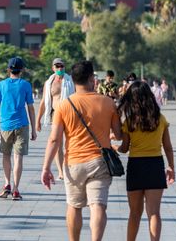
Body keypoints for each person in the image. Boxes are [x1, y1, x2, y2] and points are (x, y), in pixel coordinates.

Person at [41, 60, 122, 241]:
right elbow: (118, 133)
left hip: (73, 164)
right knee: (98, 206)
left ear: (74, 80)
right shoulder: (108, 103)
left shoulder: (63, 106)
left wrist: (46, 168)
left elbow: (54, 139)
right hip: (99, 162)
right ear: (93, 79)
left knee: (74, 206)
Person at [117, 81, 175, 241]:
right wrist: (171, 167)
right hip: (155, 165)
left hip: (136, 166)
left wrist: (114, 148)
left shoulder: (129, 121)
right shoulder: (160, 119)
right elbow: (168, 147)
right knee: (154, 212)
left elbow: (124, 148)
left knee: (134, 213)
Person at [0, 57, 36, 201]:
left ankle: (7, 184)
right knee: (18, 158)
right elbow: (30, 108)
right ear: (22, 70)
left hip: (5, 125)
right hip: (22, 125)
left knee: (6, 155)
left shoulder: (2, 85)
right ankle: (16, 189)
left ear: (8, 69)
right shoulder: (26, 85)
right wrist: (34, 129)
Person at [37, 58, 75, 180]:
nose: (60, 69)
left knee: (70, 143)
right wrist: (38, 120)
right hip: (55, 115)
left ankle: (70, 167)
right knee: (57, 143)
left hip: (69, 114)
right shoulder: (49, 83)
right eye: (57, 66)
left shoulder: (70, 81)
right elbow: (43, 102)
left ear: (64, 67)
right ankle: (61, 171)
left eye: (61, 66)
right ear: (53, 68)